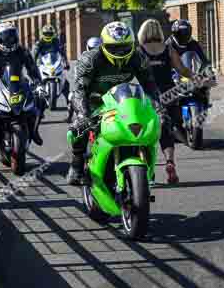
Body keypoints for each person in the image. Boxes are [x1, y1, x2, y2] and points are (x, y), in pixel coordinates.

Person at [67, 21, 163, 185]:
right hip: (93, 101)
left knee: (153, 123)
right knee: (78, 128)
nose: (120, 51)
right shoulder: (90, 59)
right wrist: (83, 114)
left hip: (122, 101)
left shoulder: (138, 57)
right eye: (114, 47)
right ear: (103, 45)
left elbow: (150, 85)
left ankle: (146, 163)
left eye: (124, 47)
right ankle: (76, 165)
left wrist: (159, 108)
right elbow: (79, 90)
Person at [0, 22, 43, 168]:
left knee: (36, 103)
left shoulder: (22, 51)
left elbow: (33, 69)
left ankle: (34, 131)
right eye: (5, 37)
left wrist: (39, 85)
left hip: (18, 83)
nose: (9, 40)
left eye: (12, 36)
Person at [137, 19, 196, 184]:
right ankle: (170, 162)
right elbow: (182, 70)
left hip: (146, 96)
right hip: (169, 94)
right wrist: (198, 77)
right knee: (166, 131)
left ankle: (147, 170)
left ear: (142, 33)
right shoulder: (168, 49)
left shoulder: (139, 51)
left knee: (143, 134)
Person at [66, 36, 102, 123]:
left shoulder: (105, 59)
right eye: (92, 49)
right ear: (88, 48)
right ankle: (70, 116)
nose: (95, 51)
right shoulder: (83, 58)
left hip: (102, 87)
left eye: (97, 48)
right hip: (88, 87)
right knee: (72, 96)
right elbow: (77, 75)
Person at [32, 24, 70, 102]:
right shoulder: (39, 43)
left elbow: (62, 52)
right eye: (46, 34)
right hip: (42, 63)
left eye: (50, 34)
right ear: (43, 34)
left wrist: (66, 63)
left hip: (55, 62)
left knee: (66, 83)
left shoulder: (56, 41)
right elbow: (35, 54)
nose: (48, 35)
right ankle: (33, 101)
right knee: (33, 82)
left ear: (53, 34)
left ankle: (69, 102)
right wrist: (32, 64)